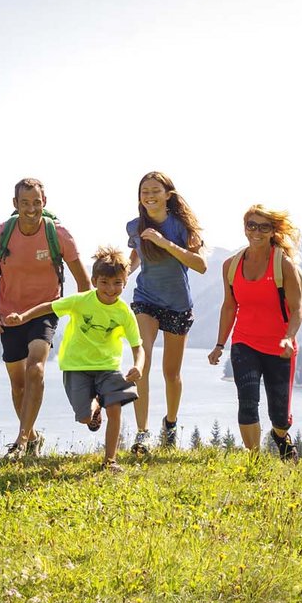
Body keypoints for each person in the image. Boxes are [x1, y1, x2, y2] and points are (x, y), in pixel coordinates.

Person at [0, 179, 90, 457]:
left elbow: (84, 285)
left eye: (36, 202)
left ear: (44, 202)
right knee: (18, 384)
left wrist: (82, 322)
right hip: (10, 316)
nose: (31, 209)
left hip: (45, 311)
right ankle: (33, 437)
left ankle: (21, 441)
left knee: (35, 367)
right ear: (15, 204)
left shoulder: (59, 235)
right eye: (25, 203)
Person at [6, 247, 146, 472]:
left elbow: (138, 347)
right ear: (94, 280)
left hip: (108, 367)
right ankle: (96, 403)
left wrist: (138, 366)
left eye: (117, 283)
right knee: (84, 418)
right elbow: (48, 307)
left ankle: (110, 461)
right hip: (76, 367)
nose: (111, 289)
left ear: (125, 282)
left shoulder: (123, 312)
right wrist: (23, 317)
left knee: (115, 408)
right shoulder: (81, 301)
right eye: (104, 283)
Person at [208, 205, 302, 459]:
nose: (257, 232)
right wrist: (220, 345)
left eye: (264, 227)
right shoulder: (231, 265)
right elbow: (229, 306)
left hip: (279, 347)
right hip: (244, 343)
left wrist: (288, 337)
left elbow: (297, 310)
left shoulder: (284, 265)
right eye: (252, 225)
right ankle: (254, 460)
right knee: (248, 402)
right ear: (245, 228)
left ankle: (281, 435)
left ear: (273, 231)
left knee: (280, 417)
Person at [124, 171, 206, 455]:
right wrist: (123, 272)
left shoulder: (182, 227)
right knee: (142, 361)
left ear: (168, 195)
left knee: (171, 374)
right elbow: (136, 256)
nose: (149, 195)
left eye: (155, 190)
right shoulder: (135, 226)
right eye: (144, 190)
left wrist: (165, 243)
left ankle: (170, 424)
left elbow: (200, 265)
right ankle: (142, 433)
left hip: (177, 304)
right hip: (146, 298)